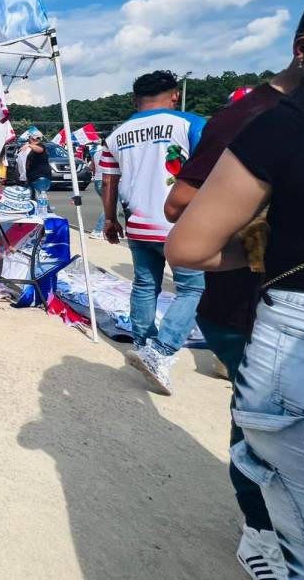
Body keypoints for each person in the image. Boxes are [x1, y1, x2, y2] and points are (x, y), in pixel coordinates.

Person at [166, 0, 304, 579]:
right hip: (264, 320)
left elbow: (186, 232)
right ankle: (259, 528)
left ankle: (267, 532)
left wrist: (263, 247)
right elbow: (179, 201)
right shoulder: (249, 117)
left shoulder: (289, 119)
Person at [100, 70, 206, 395]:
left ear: (135, 100)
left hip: (138, 223)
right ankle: (159, 352)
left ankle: (144, 344)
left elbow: (108, 182)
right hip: (181, 223)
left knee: (146, 286)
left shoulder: (116, 135)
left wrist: (109, 220)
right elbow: (211, 171)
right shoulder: (191, 124)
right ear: (175, 95)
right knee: (193, 289)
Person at [23, 131, 52, 203]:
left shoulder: (41, 146)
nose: (35, 140)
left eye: (38, 138)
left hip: (40, 177)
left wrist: (29, 145)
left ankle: (47, 211)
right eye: (33, 138)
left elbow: (40, 150)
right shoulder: (30, 149)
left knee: (41, 197)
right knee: (32, 198)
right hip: (31, 177)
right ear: (29, 138)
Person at [88, 141, 107, 239]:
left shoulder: (96, 153)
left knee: (111, 207)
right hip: (107, 181)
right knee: (110, 207)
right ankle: (98, 230)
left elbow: (91, 168)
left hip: (98, 180)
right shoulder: (112, 152)